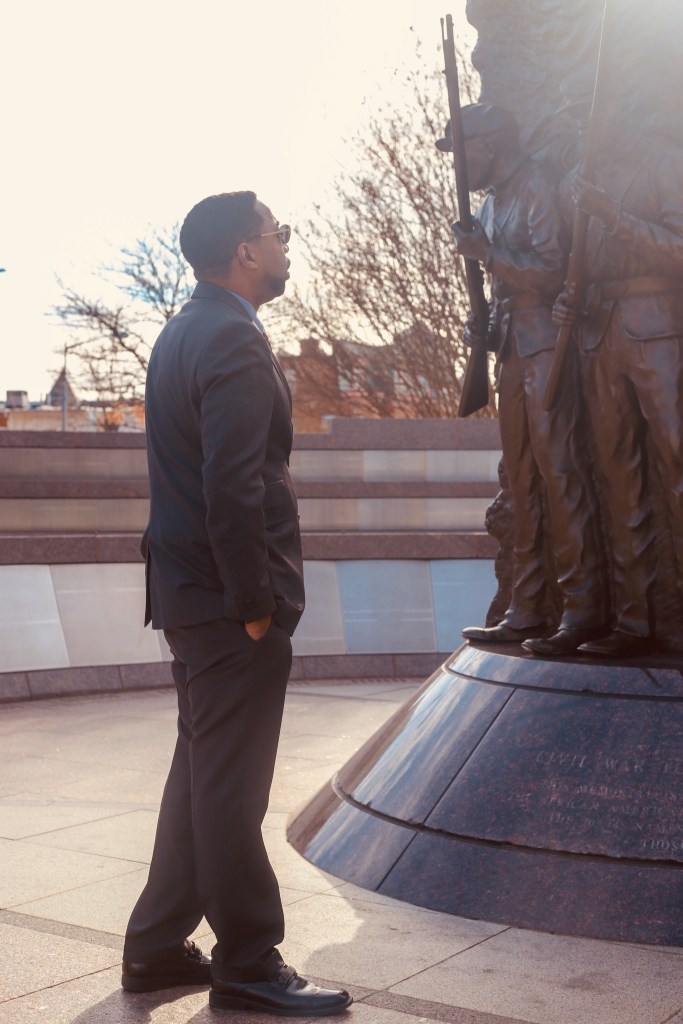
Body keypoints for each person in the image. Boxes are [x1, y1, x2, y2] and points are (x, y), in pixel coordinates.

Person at [121, 191, 351, 1017]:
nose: (286, 245)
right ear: (245, 253)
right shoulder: (232, 337)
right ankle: (249, 960)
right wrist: (255, 604)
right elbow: (233, 483)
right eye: (277, 234)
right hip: (227, 605)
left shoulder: (182, 331)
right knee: (231, 789)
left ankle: (153, 949)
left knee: (201, 774)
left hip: (187, 596)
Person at [439, 104, 607, 655]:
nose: (460, 167)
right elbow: (501, 287)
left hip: (547, 348)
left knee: (561, 475)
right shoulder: (489, 206)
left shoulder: (537, 185)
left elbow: (555, 269)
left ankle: (582, 609)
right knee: (523, 482)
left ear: (488, 143)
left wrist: (486, 254)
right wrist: (480, 323)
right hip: (511, 349)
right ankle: (527, 606)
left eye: (462, 153)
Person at [553, 119, 683, 657]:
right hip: (596, 338)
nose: (581, 124)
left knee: (678, 470)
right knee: (619, 486)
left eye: (587, 109)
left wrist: (614, 216)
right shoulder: (573, 184)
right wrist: (569, 302)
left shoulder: (663, 160)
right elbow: (573, 269)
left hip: (658, 330)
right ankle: (635, 622)